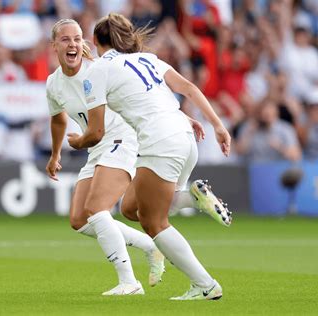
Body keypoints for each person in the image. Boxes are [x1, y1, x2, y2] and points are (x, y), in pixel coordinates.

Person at [67, 13, 232, 300]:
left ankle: (205, 285)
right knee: (131, 209)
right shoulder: (148, 59)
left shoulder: (98, 71)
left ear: (95, 41)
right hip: (185, 134)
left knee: (154, 224)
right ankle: (193, 198)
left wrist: (78, 142)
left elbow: (95, 132)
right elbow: (189, 88)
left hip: (159, 142)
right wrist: (217, 125)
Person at [45, 18, 164, 296]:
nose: (72, 44)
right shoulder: (54, 84)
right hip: (96, 145)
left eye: (77, 38)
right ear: (54, 46)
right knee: (79, 219)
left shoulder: (98, 69)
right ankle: (150, 246)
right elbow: (58, 120)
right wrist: (55, 154)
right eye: (65, 39)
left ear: (83, 43)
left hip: (120, 137)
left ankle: (129, 282)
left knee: (97, 210)